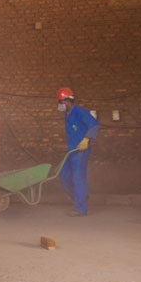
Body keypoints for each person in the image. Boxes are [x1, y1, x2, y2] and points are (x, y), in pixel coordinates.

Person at [56, 87, 99, 216]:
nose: (59, 105)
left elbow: (94, 124)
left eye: (60, 102)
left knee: (78, 177)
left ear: (67, 101)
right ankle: (80, 197)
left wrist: (86, 139)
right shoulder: (67, 114)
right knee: (63, 175)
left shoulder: (80, 112)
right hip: (71, 150)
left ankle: (81, 208)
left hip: (81, 150)